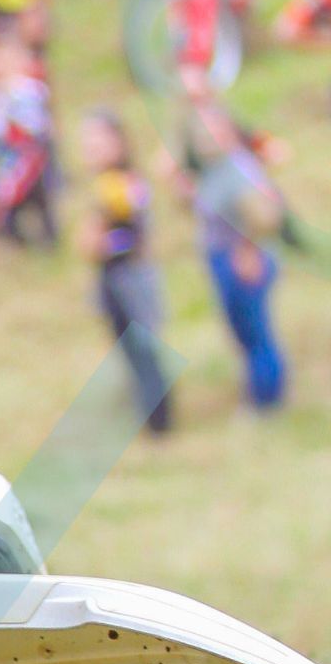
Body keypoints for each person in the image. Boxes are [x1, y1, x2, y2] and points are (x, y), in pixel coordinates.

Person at [178, 78, 287, 412]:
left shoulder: (238, 169)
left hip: (241, 262)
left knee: (256, 332)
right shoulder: (213, 169)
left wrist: (248, 250)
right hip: (222, 258)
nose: (205, 137)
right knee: (243, 332)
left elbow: (266, 215)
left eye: (212, 130)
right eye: (200, 132)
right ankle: (258, 393)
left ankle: (267, 400)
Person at [77, 109, 173, 436]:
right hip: (113, 279)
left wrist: (100, 237)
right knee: (130, 349)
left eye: (98, 140)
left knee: (144, 351)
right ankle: (149, 416)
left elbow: (113, 238)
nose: (91, 148)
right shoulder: (104, 184)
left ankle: (159, 423)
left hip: (132, 280)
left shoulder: (124, 184)